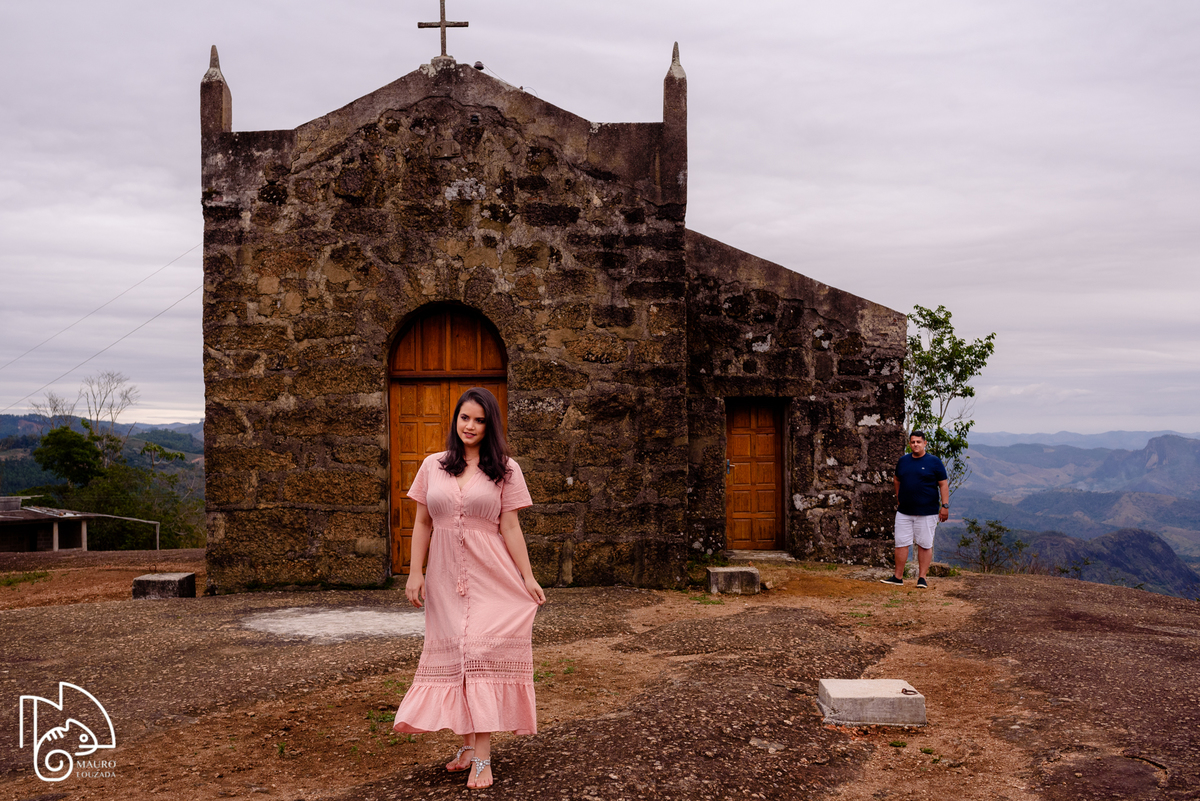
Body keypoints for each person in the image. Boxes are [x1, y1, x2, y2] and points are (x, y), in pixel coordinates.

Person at [392, 387, 546, 790]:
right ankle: (466, 748)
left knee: (478, 653)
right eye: (465, 418)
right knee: (459, 658)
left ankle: (482, 759)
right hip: (444, 580)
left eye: (479, 420)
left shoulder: (506, 469)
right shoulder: (433, 466)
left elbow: (510, 527)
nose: (470, 426)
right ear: (455, 420)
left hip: (490, 575)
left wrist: (527, 577)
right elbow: (422, 523)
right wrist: (415, 572)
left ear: (489, 424)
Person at [881, 430, 949, 589]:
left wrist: (944, 506)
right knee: (901, 543)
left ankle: (922, 578)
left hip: (927, 512)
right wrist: (898, 497)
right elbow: (897, 479)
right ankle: (898, 577)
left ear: (925, 443)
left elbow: (943, 484)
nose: (915, 444)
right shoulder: (903, 461)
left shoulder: (934, 462)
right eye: (913, 442)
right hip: (904, 511)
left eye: (919, 441)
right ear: (909, 444)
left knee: (925, 544)